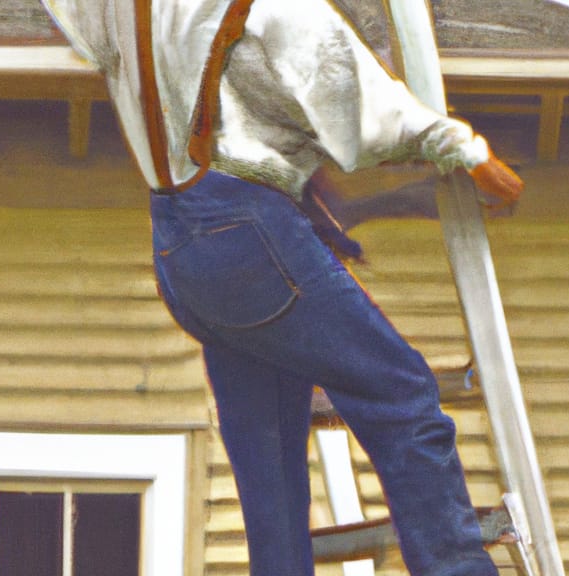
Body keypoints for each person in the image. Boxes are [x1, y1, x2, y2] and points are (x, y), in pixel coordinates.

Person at [40, 1, 523, 574]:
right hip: (250, 232)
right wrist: (468, 152)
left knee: (265, 457)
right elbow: (353, 97)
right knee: (401, 395)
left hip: (179, 247)